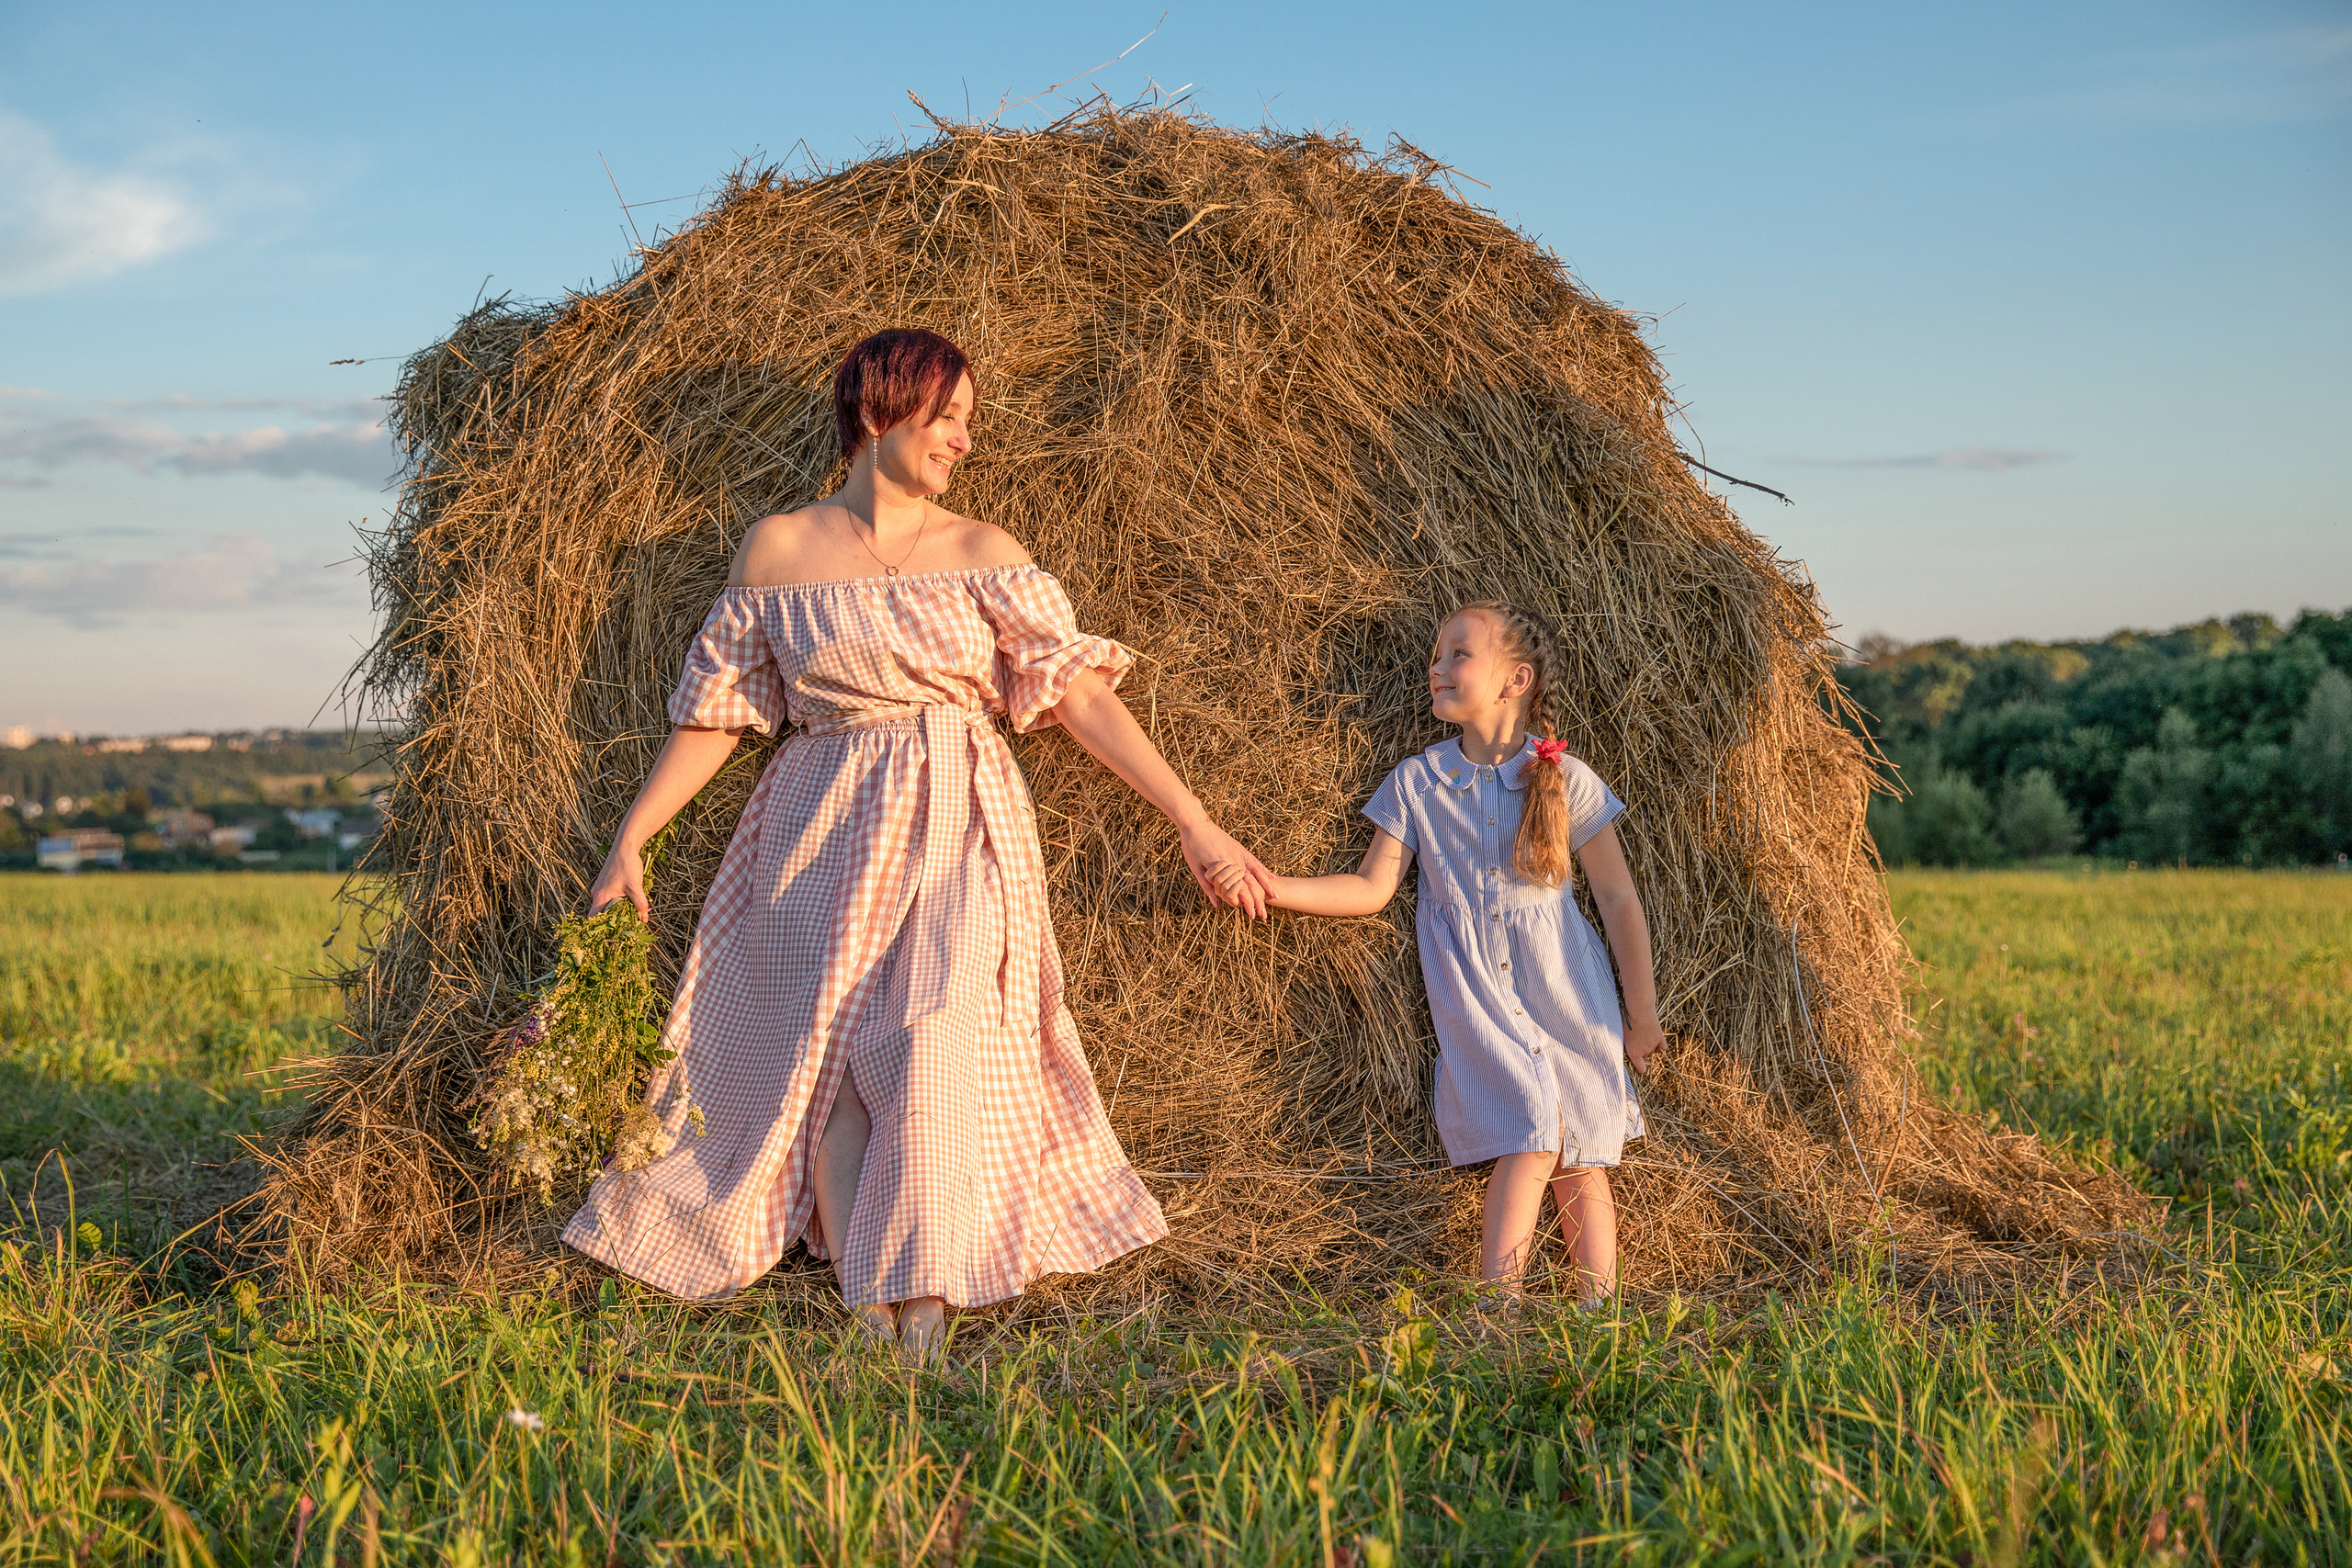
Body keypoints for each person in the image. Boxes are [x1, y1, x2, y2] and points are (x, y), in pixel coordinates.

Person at [563, 328, 1274, 1356]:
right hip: (817, 816)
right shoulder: (777, 548)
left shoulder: (985, 553)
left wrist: (1192, 820)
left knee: (933, 1043)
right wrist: (632, 839)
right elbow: (717, 715)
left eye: (967, 420)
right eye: (946, 416)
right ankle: (867, 1312)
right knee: (839, 1071)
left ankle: (925, 1323)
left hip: (955, 807)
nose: (962, 440)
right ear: (878, 409)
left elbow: (1078, 699)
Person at [1217, 602, 1662, 1304]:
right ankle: (1497, 1309)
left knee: (1583, 1151)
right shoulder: (1418, 781)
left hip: (1567, 988)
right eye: (1436, 653)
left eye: (1458, 653)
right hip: (1478, 993)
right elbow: (1370, 887)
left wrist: (1641, 1016)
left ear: (1514, 679)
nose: (1437, 665)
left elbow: (1618, 899)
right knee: (1531, 1133)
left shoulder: (1565, 778)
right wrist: (1278, 887)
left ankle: (1597, 1314)